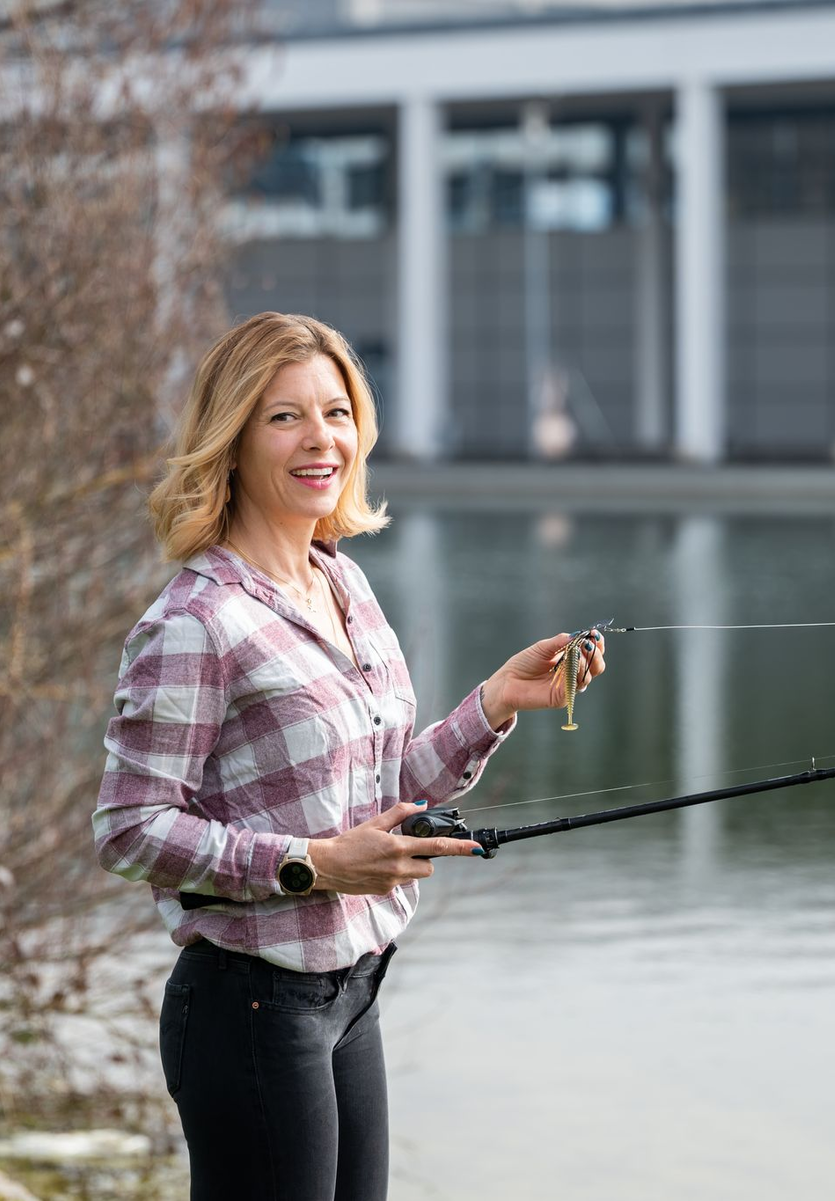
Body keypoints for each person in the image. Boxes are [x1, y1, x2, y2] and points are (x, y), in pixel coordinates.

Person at [92, 311, 605, 1201]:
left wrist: (493, 705)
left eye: (336, 411)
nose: (319, 437)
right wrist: (315, 865)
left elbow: (383, 786)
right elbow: (130, 829)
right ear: (234, 438)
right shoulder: (195, 621)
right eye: (284, 416)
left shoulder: (344, 582)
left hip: (351, 996)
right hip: (250, 1006)